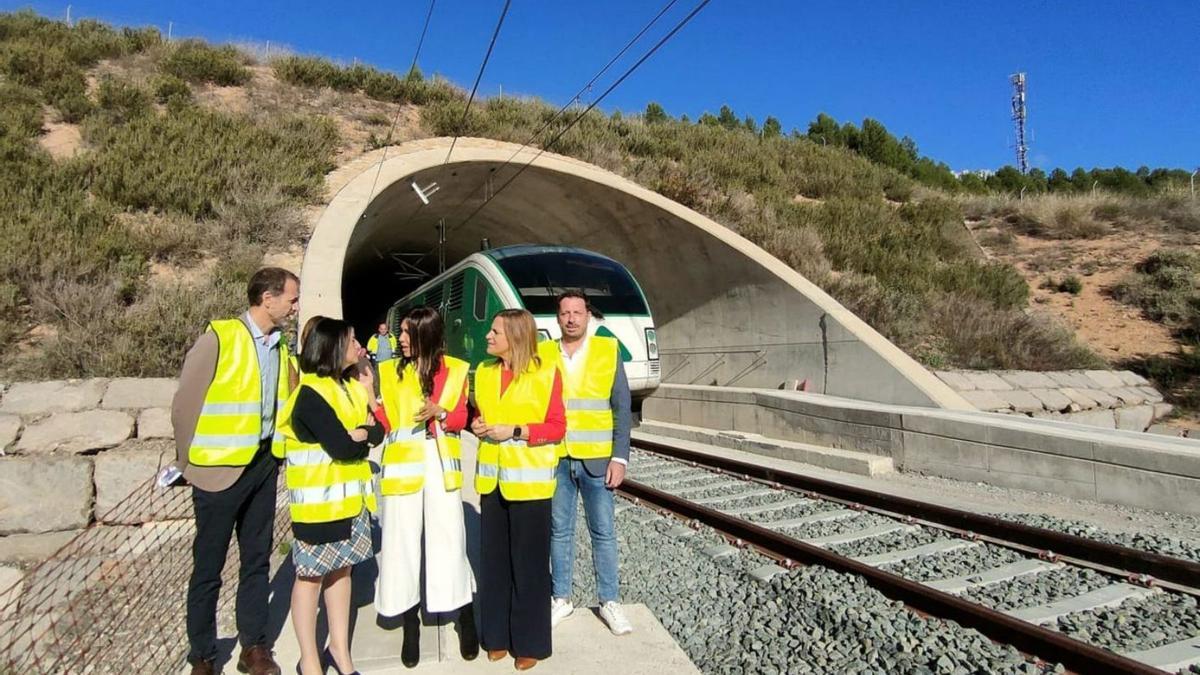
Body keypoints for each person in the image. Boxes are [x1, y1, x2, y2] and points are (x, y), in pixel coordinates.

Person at [172, 267, 299, 675]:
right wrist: (185, 463)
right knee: (208, 567)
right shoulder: (220, 338)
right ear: (268, 299)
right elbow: (185, 404)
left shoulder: (281, 347)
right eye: (291, 299)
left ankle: (254, 647)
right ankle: (203, 656)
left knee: (256, 560)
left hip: (262, 466)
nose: (295, 307)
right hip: (217, 472)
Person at [278, 316, 383, 675]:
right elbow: (342, 446)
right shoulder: (309, 394)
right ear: (333, 347)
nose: (359, 346)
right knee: (309, 578)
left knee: (342, 573)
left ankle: (340, 650)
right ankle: (309, 659)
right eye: (352, 340)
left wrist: (362, 435)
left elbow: (378, 431)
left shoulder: (349, 387)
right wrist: (357, 437)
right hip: (319, 509)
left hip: (350, 504)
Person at [375, 307, 478, 667]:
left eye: (405, 332)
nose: (399, 339)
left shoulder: (457, 369)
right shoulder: (387, 372)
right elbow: (384, 417)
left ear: (424, 334)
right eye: (400, 332)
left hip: (440, 466)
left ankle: (465, 614)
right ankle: (410, 624)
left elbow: (465, 415)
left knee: (450, 540)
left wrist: (442, 413)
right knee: (400, 546)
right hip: (402, 470)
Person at [471, 309, 565, 671]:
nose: (488, 337)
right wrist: (479, 425)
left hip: (530, 484)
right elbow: (480, 414)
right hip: (492, 481)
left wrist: (516, 430)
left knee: (529, 567)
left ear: (515, 336)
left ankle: (531, 642)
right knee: (493, 562)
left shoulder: (545, 373)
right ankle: (495, 636)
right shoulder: (484, 372)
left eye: (495, 332)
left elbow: (557, 427)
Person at [545, 291, 633, 635]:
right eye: (565, 313)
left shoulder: (607, 350)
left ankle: (609, 602)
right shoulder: (544, 353)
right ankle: (561, 599)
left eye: (577, 312)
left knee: (604, 533)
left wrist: (620, 457)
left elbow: (621, 407)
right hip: (557, 457)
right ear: (558, 317)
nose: (571, 318)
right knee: (559, 532)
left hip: (597, 460)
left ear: (587, 316)